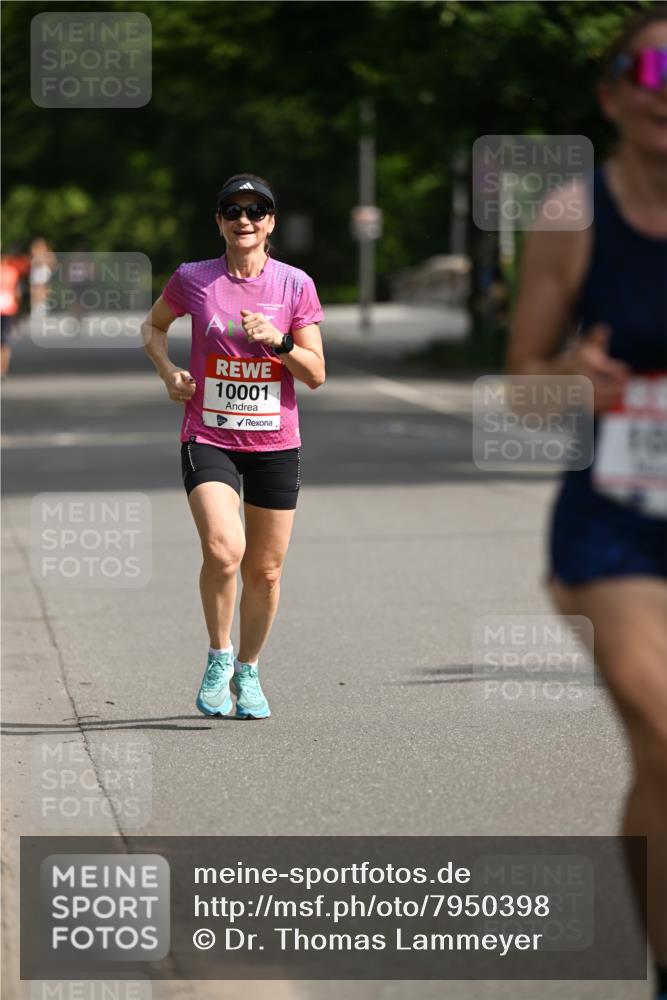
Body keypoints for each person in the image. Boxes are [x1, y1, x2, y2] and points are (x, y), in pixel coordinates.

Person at [506, 12, 667, 998]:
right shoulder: (572, 216)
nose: (665, 86)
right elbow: (520, 382)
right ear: (612, 94)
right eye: (647, 66)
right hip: (615, 525)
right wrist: (571, 372)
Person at [142, 173, 325, 719]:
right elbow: (153, 328)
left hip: (274, 440)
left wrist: (281, 341)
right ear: (218, 221)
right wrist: (168, 371)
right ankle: (219, 654)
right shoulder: (193, 279)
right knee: (225, 549)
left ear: (270, 222)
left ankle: (249, 668)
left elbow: (315, 373)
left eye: (256, 211)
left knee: (265, 571)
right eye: (232, 210)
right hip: (209, 433)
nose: (244, 220)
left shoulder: (295, 285)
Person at [0, 245, 30, 376]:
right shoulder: (12, 272)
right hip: (9, 308)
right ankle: (3, 370)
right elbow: (17, 293)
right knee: (5, 341)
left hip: (8, 308)